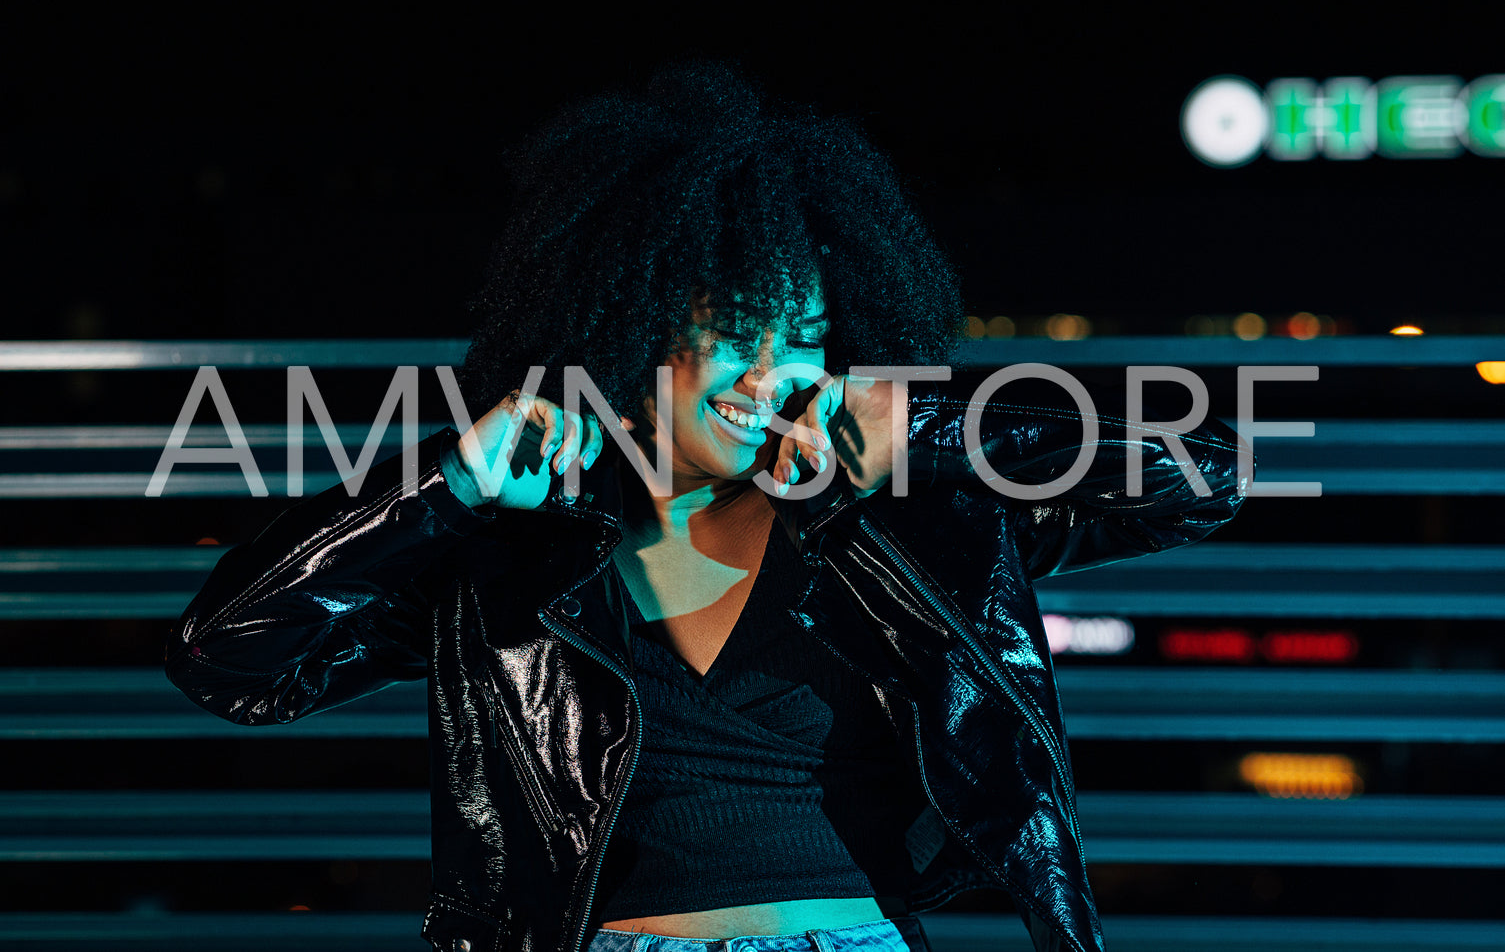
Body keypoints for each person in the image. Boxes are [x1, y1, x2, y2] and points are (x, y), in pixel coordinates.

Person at [166, 61, 1248, 952]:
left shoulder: (898, 523)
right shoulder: (501, 555)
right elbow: (229, 659)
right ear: (627, 332)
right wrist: (438, 490)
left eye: (801, 338)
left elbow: (1200, 475)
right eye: (734, 334)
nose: (770, 374)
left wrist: (928, 432)